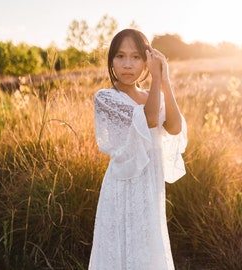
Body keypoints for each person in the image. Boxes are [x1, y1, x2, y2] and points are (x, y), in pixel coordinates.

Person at [88, 29, 187, 270]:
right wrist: (155, 80)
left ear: (146, 61)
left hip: (149, 185)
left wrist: (165, 81)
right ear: (111, 60)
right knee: (123, 247)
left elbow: (174, 127)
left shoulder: (152, 94)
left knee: (147, 245)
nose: (127, 65)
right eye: (120, 56)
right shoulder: (107, 98)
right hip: (123, 186)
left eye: (135, 57)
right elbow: (150, 120)